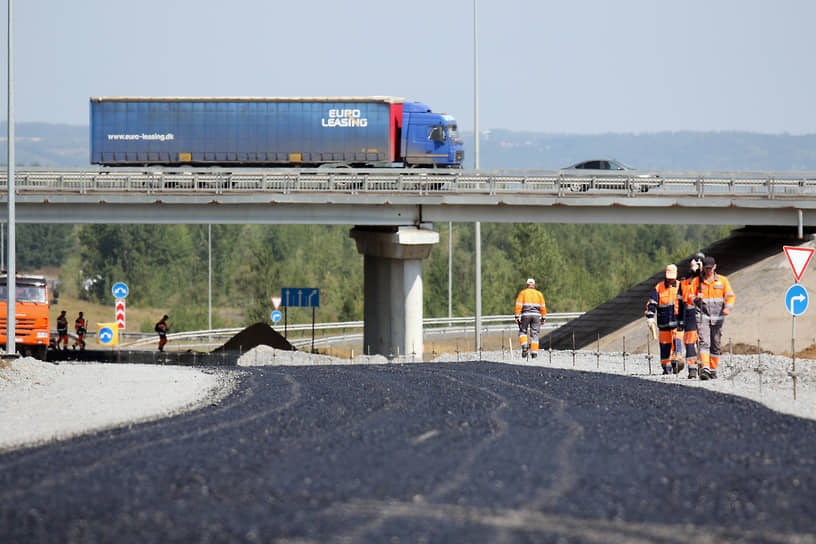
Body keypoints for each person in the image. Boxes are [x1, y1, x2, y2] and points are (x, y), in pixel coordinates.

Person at [695, 256, 735, 380]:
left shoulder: (722, 281)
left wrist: (728, 308)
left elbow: (730, 296)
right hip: (703, 316)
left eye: (710, 268)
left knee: (716, 344)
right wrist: (696, 298)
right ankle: (705, 368)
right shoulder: (697, 281)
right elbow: (689, 296)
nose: (708, 271)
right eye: (706, 268)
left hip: (718, 317)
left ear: (714, 267)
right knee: (704, 342)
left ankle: (712, 369)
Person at [645, 264, 683, 375]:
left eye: (672, 277)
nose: (670, 280)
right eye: (669, 277)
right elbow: (652, 303)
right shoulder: (659, 287)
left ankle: (677, 363)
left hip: (677, 323)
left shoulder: (681, 287)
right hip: (664, 324)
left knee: (677, 343)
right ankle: (667, 368)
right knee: (665, 346)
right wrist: (650, 317)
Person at [678, 253, 705, 378]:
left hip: (702, 313)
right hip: (688, 315)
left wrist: (700, 271)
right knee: (689, 342)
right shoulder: (684, 281)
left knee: (703, 341)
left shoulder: (703, 279)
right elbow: (679, 301)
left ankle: (704, 367)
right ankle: (692, 369)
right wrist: (679, 319)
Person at [514, 278, 547, 359]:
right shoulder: (539, 294)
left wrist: (517, 316)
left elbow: (518, 305)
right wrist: (543, 317)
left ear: (527, 285)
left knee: (523, 331)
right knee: (535, 334)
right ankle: (534, 353)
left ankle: (524, 346)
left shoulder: (523, 293)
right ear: (534, 285)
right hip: (536, 316)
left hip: (525, 314)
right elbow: (543, 307)